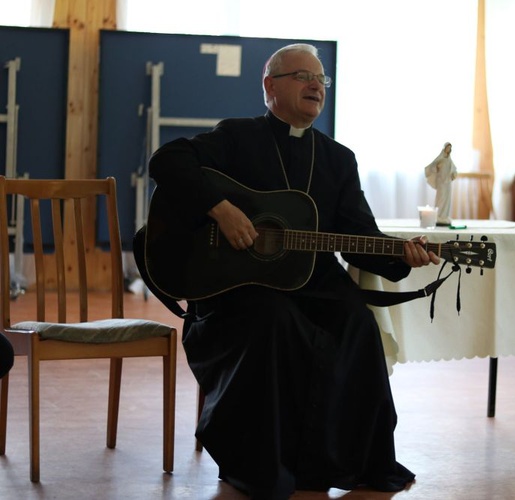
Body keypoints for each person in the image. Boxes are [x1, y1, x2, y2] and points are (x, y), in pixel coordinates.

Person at [148, 43, 440, 498]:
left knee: (358, 322)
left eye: (321, 79)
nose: (315, 86)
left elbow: (359, 235)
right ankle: (264, 466)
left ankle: (351, 460)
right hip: (237, 287)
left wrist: (399, 254)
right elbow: (166, 161)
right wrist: (219, 208)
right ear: (270, 87)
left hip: (315, 284)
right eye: (303, 76)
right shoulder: (237, 137)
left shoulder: (338, 159)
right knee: (273, 319)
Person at [424, 142, 458, 225]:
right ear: (444, 148)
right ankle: (439, 216)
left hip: (448, 182)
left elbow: (453, 169)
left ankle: (444, 216)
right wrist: (435, 169)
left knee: (447, 199)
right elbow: (432, 166)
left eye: (450, 148)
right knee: (441, 198)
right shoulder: (440, 159)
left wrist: (453, 174)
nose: (448, 149)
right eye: (447, 147)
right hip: (441, 182)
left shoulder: (449, 160)